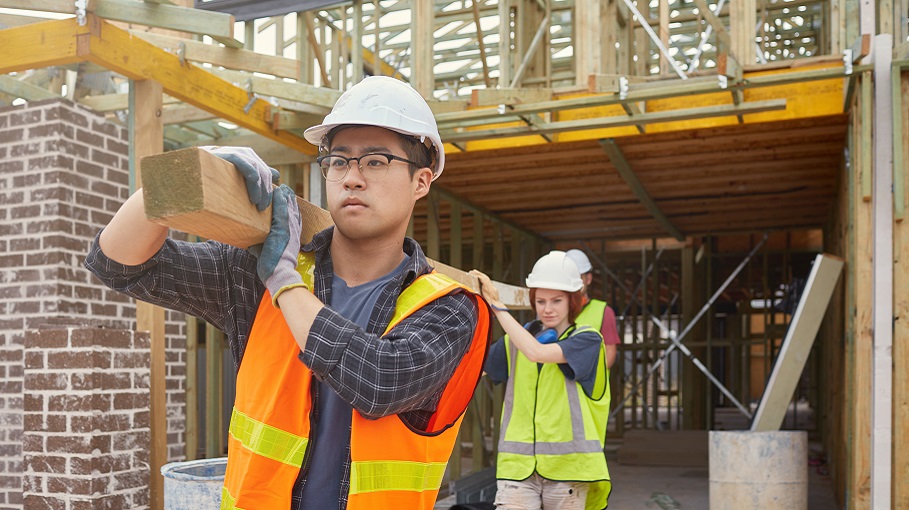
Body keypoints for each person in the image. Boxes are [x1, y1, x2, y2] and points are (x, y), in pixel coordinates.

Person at [85, 76, 491, 510]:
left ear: (421, 182)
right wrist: (188, 172)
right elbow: (118, 263)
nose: (351, 178)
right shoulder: (257, 272)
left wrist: (284, 283)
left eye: (375, 161)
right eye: (338, 161)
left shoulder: (449, 306)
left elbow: (378, 383)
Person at [470, 251, 611, 510]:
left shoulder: (587, 340)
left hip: (569, 470)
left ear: (573, 301)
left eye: (557, 300)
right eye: (541, 300)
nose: (547, 309)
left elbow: (537, 353)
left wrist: (498, 308)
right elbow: (472, 370)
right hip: (518, 470)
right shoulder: (515, 343)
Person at [565, 249, 620, 369]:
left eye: (578, 277)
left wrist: (588, 376)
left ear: (588, 279)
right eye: (569, 277)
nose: (574, 283)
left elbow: (610, 354)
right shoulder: (553, 309)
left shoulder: (604, 312)